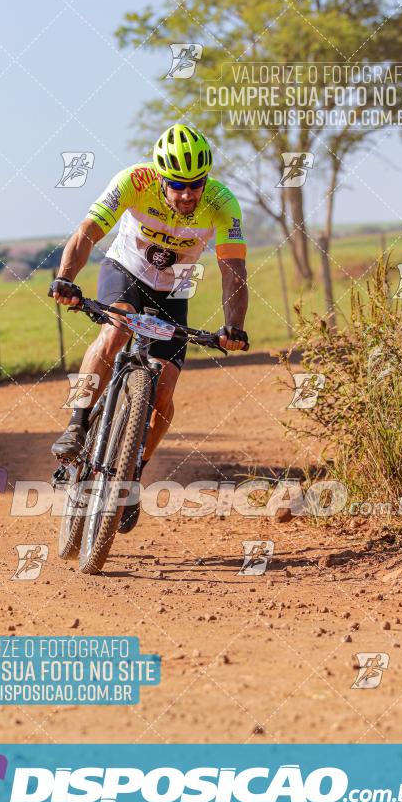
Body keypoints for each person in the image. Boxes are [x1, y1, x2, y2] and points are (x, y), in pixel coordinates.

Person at [49, 123, 249, 532]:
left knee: (166, 384)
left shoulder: (223, 202)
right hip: (125, 271)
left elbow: (234, 268)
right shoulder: (133, 181)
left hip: (175, 291)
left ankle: (132, 472)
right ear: (161, 177)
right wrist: (66, 277)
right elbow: (88, 231)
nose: (187, 194)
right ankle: (77, 421)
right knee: (116, 329)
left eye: (196, 184)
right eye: (177, 185)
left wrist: (234, 326)